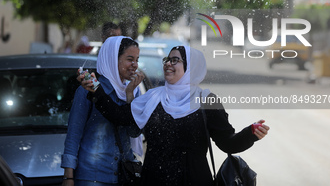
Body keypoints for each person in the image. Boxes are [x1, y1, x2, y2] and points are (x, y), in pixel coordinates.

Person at [82, 46, 270, 186]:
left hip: (195, 180)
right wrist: (95, 89)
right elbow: (120, 116)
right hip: (154, 181)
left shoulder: (206, 100)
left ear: (191, 67)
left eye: (175, 60)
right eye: (167, 59)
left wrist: (250, 133)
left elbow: (227, 143)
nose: (167, 64)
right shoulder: (153, 97)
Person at [61, 36, 142, 186]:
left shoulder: (134, 91)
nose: (134, 65)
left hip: (124, 175)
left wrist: (130, 96)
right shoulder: (89, 88)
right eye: (130, 59)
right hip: (92, 176)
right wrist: (68, 177)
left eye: (137, 60)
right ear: (113, 59)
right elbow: (74, 134)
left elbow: (134, 132)